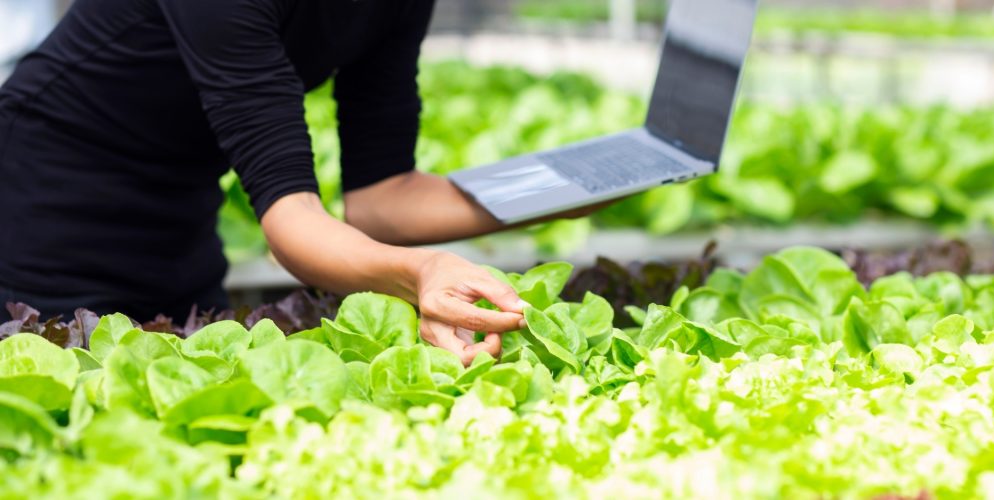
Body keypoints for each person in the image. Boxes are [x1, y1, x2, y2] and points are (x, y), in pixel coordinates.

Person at [0, 0, 597, 365]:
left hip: (180, 227)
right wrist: (422, 272)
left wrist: (567, 188)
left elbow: (383, 198)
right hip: (43, 214)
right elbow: (292, 218)